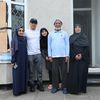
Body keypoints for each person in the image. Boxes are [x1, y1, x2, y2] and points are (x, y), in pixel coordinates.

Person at [48, 19, 69, 94]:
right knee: (55, 72)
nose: (57, 24)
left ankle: (64, 87)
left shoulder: (65, 33)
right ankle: (55, 87)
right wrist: (50, 55)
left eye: (59, 23)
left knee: (64, 72)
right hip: (54, 56)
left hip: (63, 56)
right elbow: (49, 45)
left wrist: (67, 55)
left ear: (61, 24)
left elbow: (67, 45)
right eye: (56, 23)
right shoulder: (50, 34)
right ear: (54, 24)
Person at [69, 24, 90, 94]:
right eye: (76, 27)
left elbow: (87, 48)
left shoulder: (84, 37)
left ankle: (81, 89)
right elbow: (70, 48)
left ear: (81, 29)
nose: (77, 29)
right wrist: (74, 55)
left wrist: (81, 55)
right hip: (74, 59)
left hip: (82, 59)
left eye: (79, 27)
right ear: (74, 29)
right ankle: (74, 90)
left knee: (81, 74)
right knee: (74, 75)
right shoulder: (71, 37)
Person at [25, 18, 44, 92]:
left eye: (35, 23)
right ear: (30, 23)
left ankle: (40, 84)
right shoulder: (26, 32)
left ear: (36, 24)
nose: (33, 24)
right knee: (31, 70)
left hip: (38, 53)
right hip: (29, 54)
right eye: (32, 23)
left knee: (39, 70)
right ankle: (32, 85)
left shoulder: (38, 32)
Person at [11, 26, 28, 96]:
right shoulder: (14, 40)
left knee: (23, 74)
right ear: (17, 32)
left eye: (22, 31)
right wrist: (13, 61)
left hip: (24, 59)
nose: (21, 32)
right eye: (19, 30)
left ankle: (23, 90)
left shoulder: (25, 39)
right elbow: (12, 52)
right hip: (17, 60)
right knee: (17, 76)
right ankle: (17, 91)